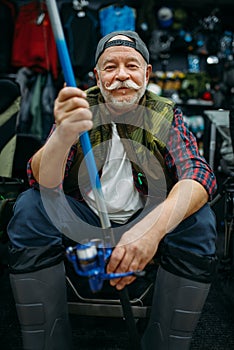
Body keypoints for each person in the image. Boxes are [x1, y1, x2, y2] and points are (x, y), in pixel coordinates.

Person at [7, 30, 217, 350]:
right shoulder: (80, 107)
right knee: (30, 207)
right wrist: (63, 134)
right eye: (110, 67)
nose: (121, 75)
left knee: (199, 222)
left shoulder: (165, 114)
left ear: (146, 73)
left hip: (145, 222)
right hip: (84, 220)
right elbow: (42, 181)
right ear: (96, 76)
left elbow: (198, 174)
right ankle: (47, 341)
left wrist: (149, 232)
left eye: (131, 66)